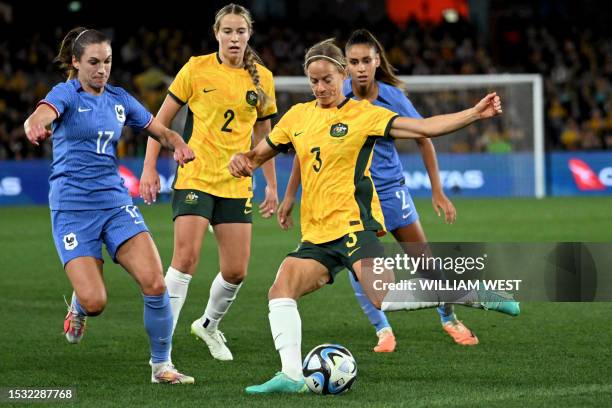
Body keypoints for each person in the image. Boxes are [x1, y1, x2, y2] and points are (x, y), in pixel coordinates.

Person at [228, 38, 517, 394]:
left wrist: (474, 113)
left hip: (354, 229)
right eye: (314, 81)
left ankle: (471, 294)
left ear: (342, 74)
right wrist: (241, 161)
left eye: (327, 79)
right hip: (316, 237)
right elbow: (256, 157)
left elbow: (424, 129)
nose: (321, 87)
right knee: (280, 289)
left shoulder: (364, 115)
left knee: (385, 297)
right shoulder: (297, 117)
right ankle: (290, 375)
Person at [277, 29, 477, 351]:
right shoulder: (333, 94)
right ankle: (383, 330)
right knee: (363, 268)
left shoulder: (392, 98)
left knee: (423, 261)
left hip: (391, 191)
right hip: (355, 197)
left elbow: (424, 138)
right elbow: (306, 145)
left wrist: (437, 191)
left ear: (376, 61)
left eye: (365, 61)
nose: (359, 68)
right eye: (353, 62)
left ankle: (448, 317)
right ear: (344, 66)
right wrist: (290, 194)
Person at [23, 27, 195, 384]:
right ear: (75, 62)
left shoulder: (119, 99)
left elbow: (159, 129)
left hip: (115, 204)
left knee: (155, 283)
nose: (102, 69)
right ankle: (79, 305)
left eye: (108, 61)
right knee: (96, 301)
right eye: (94, 62)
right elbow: (41, 115)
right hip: (72, 210)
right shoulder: (66, 94)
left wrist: (177, 143)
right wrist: (34, 126)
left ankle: (161, 366)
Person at [139, 3, 278, 362]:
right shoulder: (196, 68)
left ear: (249, 34)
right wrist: (149, 168)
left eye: (240, 32)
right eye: (227, 31)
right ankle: (161, 351)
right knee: (185, 259)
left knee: (236, 270)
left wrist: (272, 185)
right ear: (216, 33)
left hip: (236, 183)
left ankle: (208, 325)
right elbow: (160, 122)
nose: (234, 38)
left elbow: (266, 136)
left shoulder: (262, 78)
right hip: (195, 176)